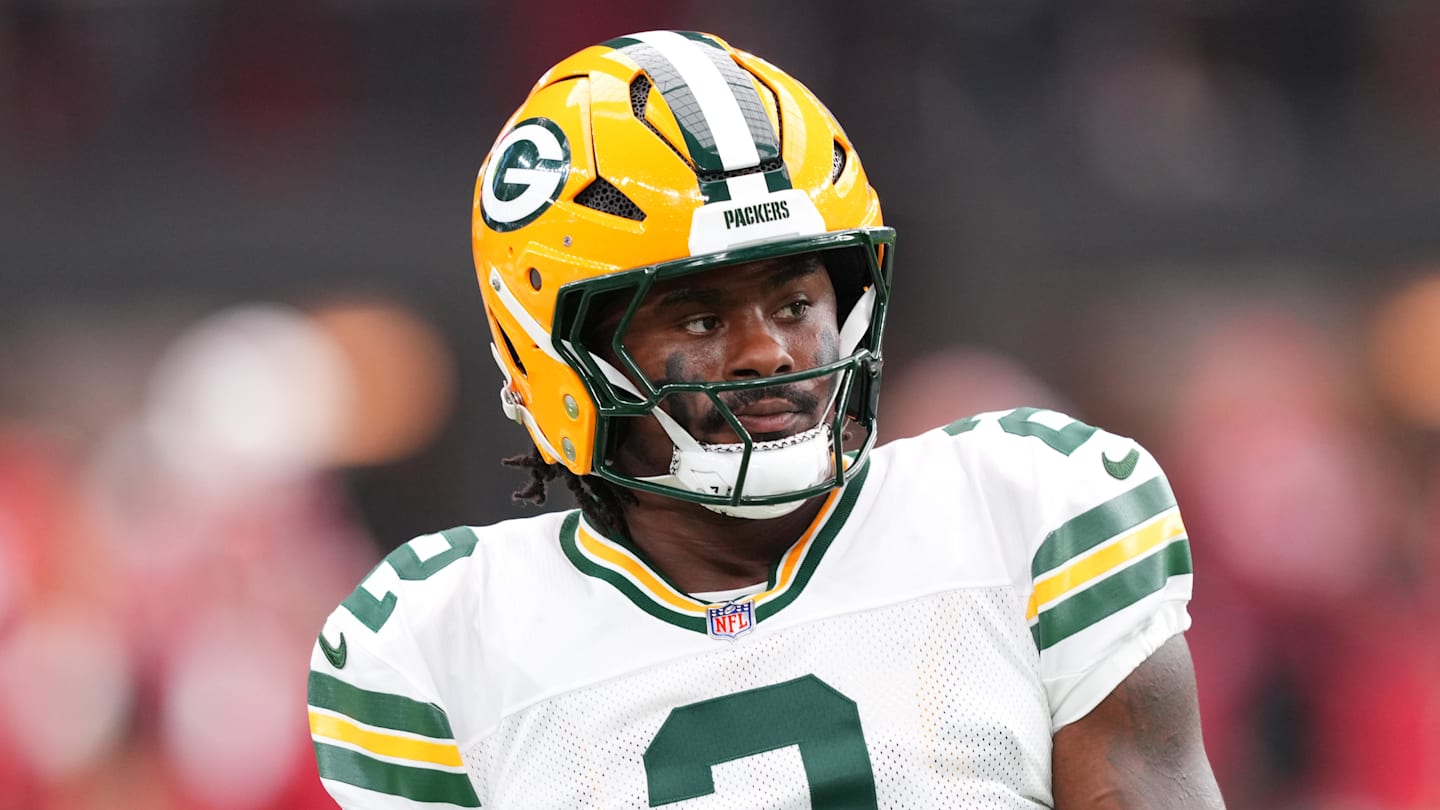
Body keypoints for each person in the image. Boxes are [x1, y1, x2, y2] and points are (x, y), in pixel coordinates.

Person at [306, 30, 1224, 808]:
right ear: (557, 355)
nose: (769, 353)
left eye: (793, 302)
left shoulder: (1025, 508)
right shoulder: (441, 646)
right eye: (701, 319)